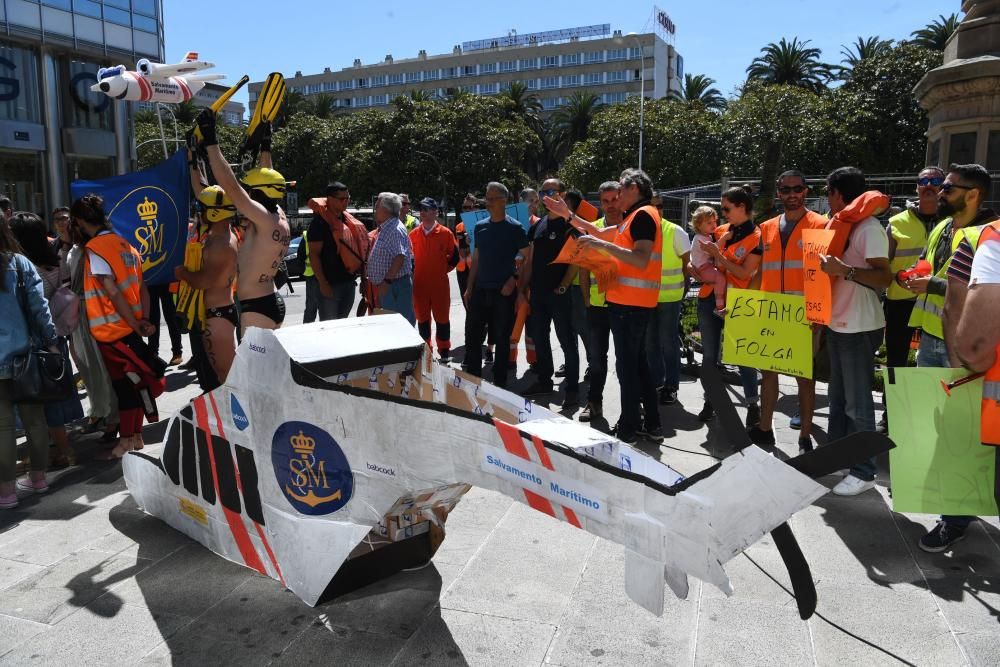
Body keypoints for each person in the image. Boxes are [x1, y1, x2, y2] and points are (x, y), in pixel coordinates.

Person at [914, 164, 998, 551]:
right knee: (938, 432)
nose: (937, 192)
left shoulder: (988, 236)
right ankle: (952, 504)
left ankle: (956, 518)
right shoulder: (942, 228)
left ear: (973, 194)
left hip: (965, 355)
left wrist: (958, 360)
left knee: (962, 437)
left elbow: (970, 295)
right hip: (934, 341)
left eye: (947, 188)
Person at [547, 168, 663, 445]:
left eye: (621, 189)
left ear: (634, 188)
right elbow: (597, 230)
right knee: (639, 366)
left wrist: (601, 245)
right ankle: (653, 425)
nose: (617, 195)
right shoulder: (635, 217)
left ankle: (629, 430)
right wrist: (569, 215)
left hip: (630, 305)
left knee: (628, 370)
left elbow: (639, 259)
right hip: (630, 303)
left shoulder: (643, 215)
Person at [819, 167, 893, 496]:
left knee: (857, 402)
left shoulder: (869, 228)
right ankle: (837, 456)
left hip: (859, 326)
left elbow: (884, 278)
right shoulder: (844, 226)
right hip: (838, 322)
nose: (827, 199)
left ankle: (864, 471)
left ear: (838, 194)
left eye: (828, 193)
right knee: (837, 398)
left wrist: (844, 270)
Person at [71, 194, 164, 459]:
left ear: (78, 221)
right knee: (134, 385)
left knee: (125, 388)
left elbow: (112, 292)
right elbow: (142, 288)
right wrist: (142, 320)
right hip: (130, 331)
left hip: (112, 333)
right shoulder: (126, 245)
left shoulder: (96, 249)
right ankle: (135, 438)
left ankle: (126, 442)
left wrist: (135, 323)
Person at [749, 170, 827, 452]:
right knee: (768, 373)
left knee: (804, 377)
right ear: (779, 193)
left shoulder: (820, 225)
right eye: (785, 190)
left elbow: (822, 274)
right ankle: (765, 429)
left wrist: (818, 315)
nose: (791, 195)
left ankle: (805, 436)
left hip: (803, 314)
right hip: (772, 310)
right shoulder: (767, 227)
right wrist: (744, 305)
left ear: (806, 191)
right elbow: (759, 271)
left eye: (797, 189)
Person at [197, 110, 290, 333]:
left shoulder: (263, 217)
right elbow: (268, 175)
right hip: (269, 298)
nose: (247, 193)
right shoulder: (278, 214)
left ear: (258, 193)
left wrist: (211, 140)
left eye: (250, 190)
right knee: (265, 366)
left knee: (255, 368)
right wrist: (266, 144)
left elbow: (229, 183)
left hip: (257, 307)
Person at [9, 212, 83, 468]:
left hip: (35, 341)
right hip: (55, 337)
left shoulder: (24, 267)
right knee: (53, 398)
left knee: (36, 402)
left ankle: (54, 452)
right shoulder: (54, 261)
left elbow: (34, 308)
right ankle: (61, 449)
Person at [0, 216, 59, 508]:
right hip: (27, 355)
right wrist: (51, 340)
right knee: (36, 421)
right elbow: (40, 308)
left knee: (3, 426)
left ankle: (7, 491)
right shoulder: (21, 264)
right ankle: (38, 478)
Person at [881, 167, 946, 431]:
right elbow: (882, 264)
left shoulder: (954, 221)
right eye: (924, 181)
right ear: (917, 186)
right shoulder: (897, 222)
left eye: (935, 181)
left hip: (938, 304)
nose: (929, 185)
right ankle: (891, 414)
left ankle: (932, 418)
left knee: (938, 363)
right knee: (896, 360)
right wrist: (896, 277)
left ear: (943, 186)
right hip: (901, 302)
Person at [690, 188, 763, 424]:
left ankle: (753, 406)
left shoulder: (757, 237)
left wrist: (719, 258)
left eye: (726, 209)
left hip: (739, 302)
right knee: (710, 356)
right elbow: (697, 260)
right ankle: (711, 401)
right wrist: (694, 269)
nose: (722, 215)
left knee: (743, 356)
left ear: (742, 206)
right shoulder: (720, 231)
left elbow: (743, 271)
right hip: (709, 298)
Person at [463, 182, 530, 389]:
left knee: (502, 338)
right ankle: (473, 379)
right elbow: (477, 257)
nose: (488, 202)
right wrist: (469, 286)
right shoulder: (480, 226)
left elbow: (526, 257)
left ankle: (500, 381)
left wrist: (514, 280)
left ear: (504, 200)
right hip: (481, 290)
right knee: (473, 335)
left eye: (492, 198)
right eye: (487, 198)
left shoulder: (515, 228)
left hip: (503, 291)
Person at [522, 178, 580, 408]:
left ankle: (573, 388)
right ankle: (544, 381)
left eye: (551, 191)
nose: (546, 195)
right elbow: (530, 260)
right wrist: (523, 288)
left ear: (562, 195)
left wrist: (564, 285)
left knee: (567, 341)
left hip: (560, 295)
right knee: (540, 338)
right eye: (543, 191)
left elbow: (577, 260)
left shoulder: (571, 225)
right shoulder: (538, 225)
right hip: (538, 293)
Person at [175, 183, 240, 383]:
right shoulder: (220, 236)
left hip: (217, 315)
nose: (198, 213)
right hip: (218, 313)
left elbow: (203, 282)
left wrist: (182, 272)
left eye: (201, 208)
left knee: (227, 378)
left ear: (214, 213)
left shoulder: (219, 244)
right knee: (223, 377)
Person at [578, 181, 621, 422]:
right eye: (606, 201)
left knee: (629, 360)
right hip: (597, 305)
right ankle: (594, 403)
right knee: (596, 358)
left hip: (626, 305)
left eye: (615, 199)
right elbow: (583, 270)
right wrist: (586, 298)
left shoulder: (630, 228)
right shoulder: (591, 229)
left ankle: (634, 409)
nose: (611, 205)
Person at [645, 204, 691, 407]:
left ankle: (671, 386)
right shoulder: (638, 229)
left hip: (670, 298)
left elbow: (687, 265)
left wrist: (682, 291)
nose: (656, 209)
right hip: (645, 297)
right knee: (650, 343)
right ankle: (656, 383)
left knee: (669, 343)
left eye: (660, 206)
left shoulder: (674, 231)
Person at [409, 197, 458, 357]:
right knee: (422, 320)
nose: (422, 212)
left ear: (435, 212)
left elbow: (455, 258)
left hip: (439, 286)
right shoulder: (414, 234)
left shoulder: (446, 233)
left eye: (426, 209)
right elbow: (409, 260)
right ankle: (426, 351)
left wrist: (441, 270)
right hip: (419, 286)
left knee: (442, 319)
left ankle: (444, 351)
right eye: (421, 209)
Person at [308, 182, 363, 321]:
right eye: (342, 199)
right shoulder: (319, 223)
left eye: (348, 198)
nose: (346, 202)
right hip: (330, 286)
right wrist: (323, 284)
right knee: (329, 327)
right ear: (330, 199)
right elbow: (314, 254)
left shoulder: (348, 220)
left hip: (348, 283)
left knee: (342, 324)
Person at [367, 192, 415, 324]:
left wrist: (386, 282)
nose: (375, 210)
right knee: (393, 324)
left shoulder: (394, 228)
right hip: (391, 286)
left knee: (398, 325)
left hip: (394, 285)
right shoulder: (388, 226)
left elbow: (399, 256)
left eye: (377, 207)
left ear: (386, 210)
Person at [689, 206, 730, 315]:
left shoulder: (706, 236)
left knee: (719, 279)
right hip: (702, 269)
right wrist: (724, 238)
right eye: (709, 223)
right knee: (720, 279)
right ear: (698, 225)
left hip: (705, 267)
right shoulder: (700, 239)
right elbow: (713, 250)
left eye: (714, 221)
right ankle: (720, 307)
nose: (713, 225)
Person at [300, 228, 317, 324]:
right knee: (328, 308)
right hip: (320, 275)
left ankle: (307, 329)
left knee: (311, 306)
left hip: (311, 275)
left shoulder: (306, 235)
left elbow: (300, 257)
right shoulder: (331, 229)